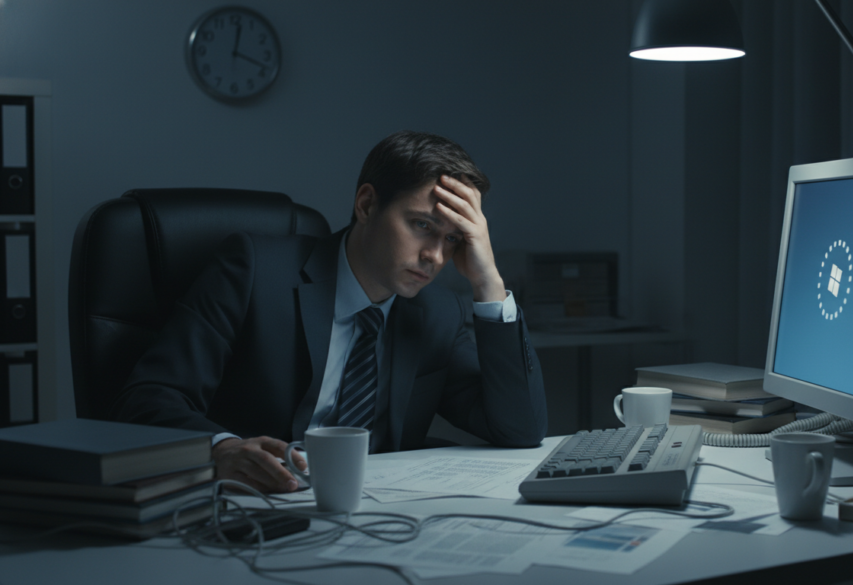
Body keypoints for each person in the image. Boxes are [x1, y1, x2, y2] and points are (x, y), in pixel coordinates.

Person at [111, 131, 547, 493]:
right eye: (421, 225)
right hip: (255, 506)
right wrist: (222, 448)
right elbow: (149, 397)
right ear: (366, 204)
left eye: (452, 239)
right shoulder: (253, 271)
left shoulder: (438, 313)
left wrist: (488, 283)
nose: (434, 256)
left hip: (378, 515)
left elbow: (518, 430)